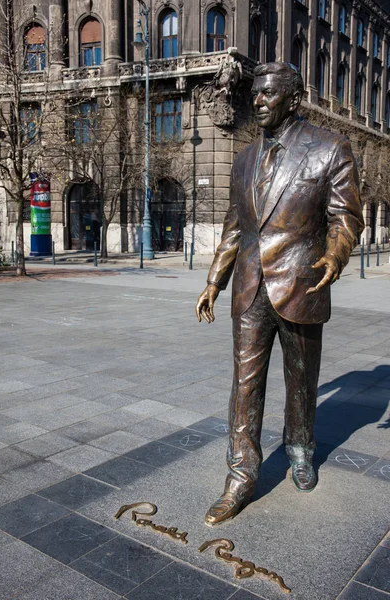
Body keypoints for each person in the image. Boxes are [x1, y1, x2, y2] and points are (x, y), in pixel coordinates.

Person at [195, 62, 364, 528]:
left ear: (293, 98)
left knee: (301, 378)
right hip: (250, 286)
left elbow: (346, 216)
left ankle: (300, 447)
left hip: (303, 282)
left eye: (269, 94)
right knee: (245, 383)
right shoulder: (244, 157)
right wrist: (214, 280)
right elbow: (235, 226)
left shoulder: (330, 148)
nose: (259, 101)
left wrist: (335, 254)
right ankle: (241, 476)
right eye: (257, 94)